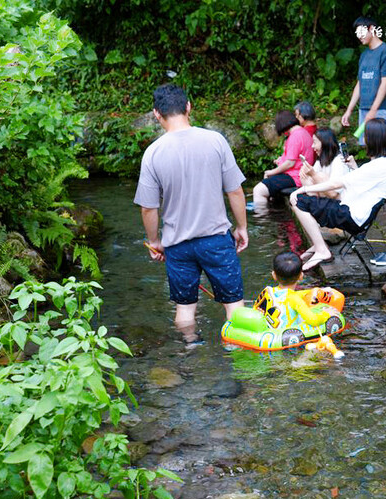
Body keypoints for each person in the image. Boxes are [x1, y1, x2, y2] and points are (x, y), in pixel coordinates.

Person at [134, 84, 248, 337]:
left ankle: (188, 350)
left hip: (178, 245)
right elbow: (235, 191)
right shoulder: (215, 140)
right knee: (234, 305)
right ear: (188, 107)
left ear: (156, 114)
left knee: (185, 309)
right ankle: (237, 353)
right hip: (216, 240)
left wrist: (155, 241)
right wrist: (241, 227)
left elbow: (148, 208)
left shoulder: (152, 153)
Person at [290, 118, 386, 271]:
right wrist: (355, 168)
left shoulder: (379, 165)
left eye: (366, 136)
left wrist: (302, 189)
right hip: (352, 212)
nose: (364, 140)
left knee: (299, 201)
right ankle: (318, 245)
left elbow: (336, 184)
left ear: (374, 140)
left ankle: (322, 250)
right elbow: (368, 184)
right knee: (307, 200)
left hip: (351, 216)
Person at [341, 16, 386, 141]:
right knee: (368, 147)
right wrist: (349, 110)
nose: (359, 36)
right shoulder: (364, 55)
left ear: (371, 29)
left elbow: (385, 82)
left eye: (361, 32)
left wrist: (373, 110)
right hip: (364, 108)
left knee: (381, 146)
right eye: (357, 34)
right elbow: (359, 84)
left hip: (380, 109)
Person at [251, 110, 315, 208]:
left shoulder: (295, 136)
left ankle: (262, 218)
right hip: (300, 174)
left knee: (258, 190)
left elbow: (290, 163)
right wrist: (281, 161)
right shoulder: (303, 132)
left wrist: (272, 172)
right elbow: (295, 157)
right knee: (268, 184)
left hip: (296, 177)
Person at [262, 251, 332, 329]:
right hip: (288, 336)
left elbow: (290, 295)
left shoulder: (269, 291)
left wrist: (315, 290)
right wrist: (327, 314)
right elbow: (313, 320)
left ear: (274, 275)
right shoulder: (295, 299)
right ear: (301, 276)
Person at [299, 128, 351, 196]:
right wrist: (305, 173)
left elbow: (333, 194)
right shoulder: (320, 161)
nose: (312, 146)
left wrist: (313, 174)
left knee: (320, 176)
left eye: (314, 142)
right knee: (305, 177)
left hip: (340, 201)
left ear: (324, 143)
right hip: (324, 199)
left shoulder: (338, 162)